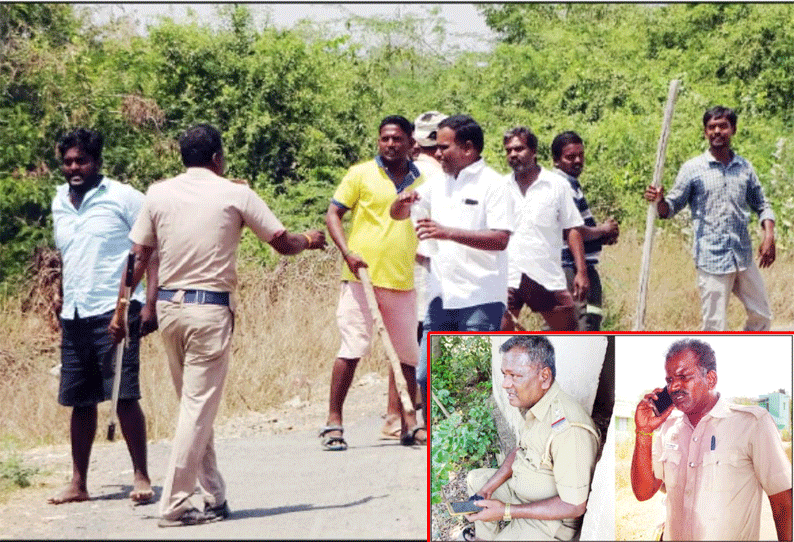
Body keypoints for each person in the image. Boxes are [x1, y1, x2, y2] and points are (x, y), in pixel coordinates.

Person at [109, 124, 326, 527]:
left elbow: (137, 256)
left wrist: (121, 309)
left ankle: (214, 494)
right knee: (196, 408)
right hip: (209, 310)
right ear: (217, 158)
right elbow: (281, 241)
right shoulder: (235, 192)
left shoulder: (158, 193)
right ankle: (175, 505)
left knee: (195, 406)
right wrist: (310, 240)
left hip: (171, 309)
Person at [49, 128, 157, 506]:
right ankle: (78, 483)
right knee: (80, 400)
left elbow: (150, 247)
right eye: (68, 161)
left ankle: (141, 476)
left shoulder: (124, 197)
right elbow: (69, 256)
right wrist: (61, 300)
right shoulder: (60, 200)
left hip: (116, 312)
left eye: (81, 160)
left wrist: (150, 303)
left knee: (124, 396)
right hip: (75, 313)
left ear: (97, 162)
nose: (74, 167)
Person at [391, 114, 514, 427]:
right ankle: (444, 438)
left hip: (481, 298)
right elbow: (398, 213)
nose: (437, 153)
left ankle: (472, 447)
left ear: (468, 149)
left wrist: (447, 232)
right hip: (442, 296)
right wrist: (401, 203)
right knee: (425, 376)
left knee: (470, 380)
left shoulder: (495, 185)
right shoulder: (439, 183)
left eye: (444, 147)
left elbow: (500, 239)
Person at [323, 115, 426, 450]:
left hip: (402, 279)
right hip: (361, 276)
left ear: (411, 142)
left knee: (407, 355)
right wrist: (347, 252)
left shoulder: (423, 179)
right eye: (385, 139)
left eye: (397, 139)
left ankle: (408, 421)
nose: (391, 144)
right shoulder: (361, 173)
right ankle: (334, 422)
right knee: (353, 347)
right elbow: (333, 214)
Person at [630, 338, 792, 540]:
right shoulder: (669, 428)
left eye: (684, 376)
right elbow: (643, 492)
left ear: (711, 379)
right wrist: (643, 432)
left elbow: (783, 504)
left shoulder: (752, 424)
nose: (673, 387)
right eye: (670, 380)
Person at [644, 106, 775, 331]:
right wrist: (660, 201)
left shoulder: (744, 167)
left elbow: (762, 204)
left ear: (733, 129)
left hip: (742, 256)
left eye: (722, 126)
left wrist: (769, 236)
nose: (717, 131)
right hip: (712, 260)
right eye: (711, 127)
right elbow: (670, 209)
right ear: (705, 132)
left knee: (762, 316)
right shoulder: (693, 169)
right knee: (715, 326)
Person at [461, 336, 599, 541]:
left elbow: (574, 506)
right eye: (504, 375)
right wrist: (486, 490)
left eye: (515, 376)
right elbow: (519, 450)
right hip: (520, 492)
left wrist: (507, 511)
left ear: (544, 377)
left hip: (550, 521)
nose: (505, 384)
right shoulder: (534, 403)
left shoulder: (569, 430)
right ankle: (483, 538)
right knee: (477, 482)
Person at [499, 127, 588, 332]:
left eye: (519, 149)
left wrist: (581, 272)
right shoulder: (500, 187)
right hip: (509, 275)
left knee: (567, 335)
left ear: (534, 151)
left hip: (545, 275)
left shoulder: (557, 185)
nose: (513, 155)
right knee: (497, 334)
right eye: (509, 151)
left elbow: (572, 229)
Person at [551, 131, 619, 331]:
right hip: (573, 269)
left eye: (580, 155)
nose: (577, 161)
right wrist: (602, 230)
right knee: (584, 324)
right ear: (556, 160)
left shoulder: (569, 184)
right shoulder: (563, 186)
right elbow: (572, 231)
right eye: (570, 157)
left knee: (575, 325)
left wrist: (601, 237)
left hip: (571, 268)